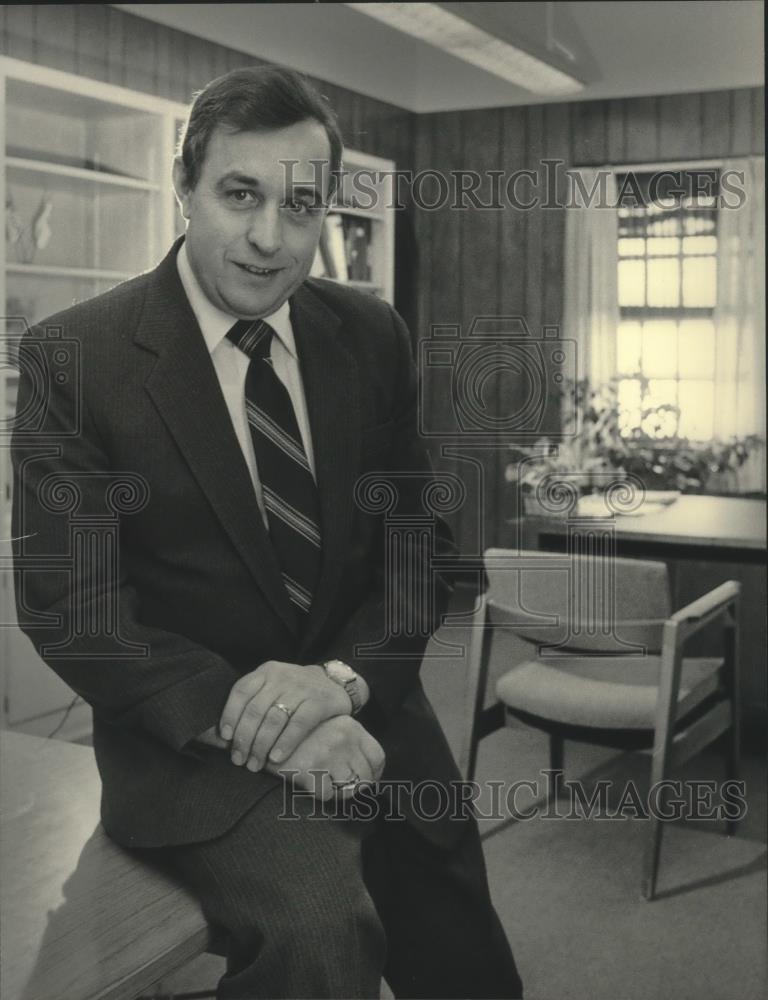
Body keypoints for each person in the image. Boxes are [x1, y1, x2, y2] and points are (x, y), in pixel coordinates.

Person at [11, 66, 523, 999]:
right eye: (240, 194)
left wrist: (338, 683)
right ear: (186, 186)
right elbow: (75, 609)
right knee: (319, 935)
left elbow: (420, 550)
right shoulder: (75, 357)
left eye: (300, 205)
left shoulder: (371, 335)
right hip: (200, 753)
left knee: (470, 963)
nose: (268, 237)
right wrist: (276, 727)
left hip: (371, 715)